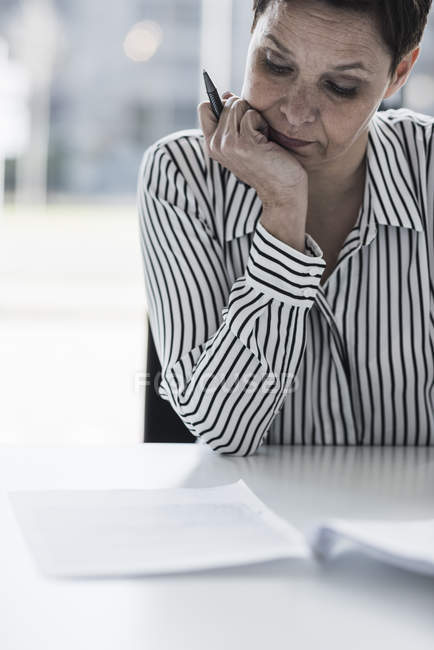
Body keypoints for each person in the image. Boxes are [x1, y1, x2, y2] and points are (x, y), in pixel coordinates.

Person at [137, 0, 434, 455]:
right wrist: (282, 206)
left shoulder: (426, 169)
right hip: (259, 522)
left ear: (398, 73)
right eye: (275, 64)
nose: (295, 113)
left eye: (340, 87)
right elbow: (222, 430)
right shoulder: (181, 178)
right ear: (254, 31)